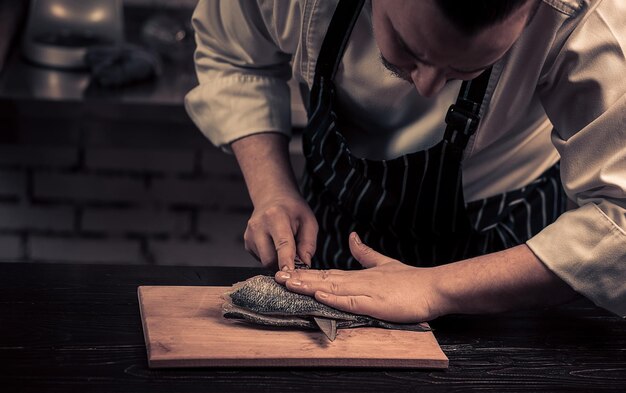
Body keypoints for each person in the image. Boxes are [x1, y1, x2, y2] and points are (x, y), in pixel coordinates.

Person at [185, 0, 626, 323]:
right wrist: (272, 191)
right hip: (335, 215)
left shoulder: (591, 19)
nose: (429, 88)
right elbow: (237, 57)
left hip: (500, 237)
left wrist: (434, 287)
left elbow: (620, 221)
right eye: (409, 49)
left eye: (463, 70)